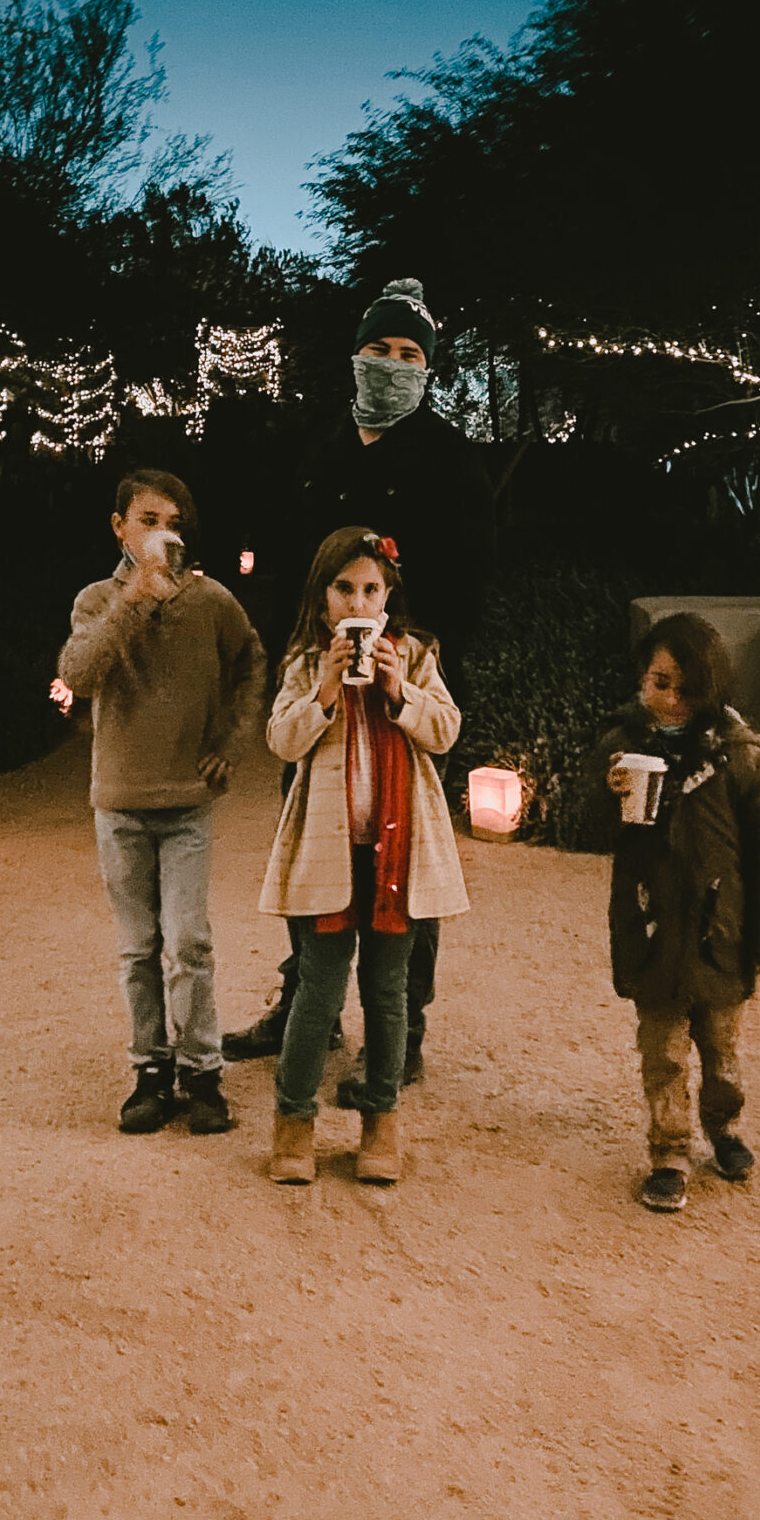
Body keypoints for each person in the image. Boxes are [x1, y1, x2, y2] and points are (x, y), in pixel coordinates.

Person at [224, 277, 493, 1082]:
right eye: (380, 349)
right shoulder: (318, 447)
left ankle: (401, 1026)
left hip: (402, 684)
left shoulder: (451, 462)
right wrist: (300, 667)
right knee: (313, 841)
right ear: (356, 355)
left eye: (410, 354)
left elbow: (473, 583)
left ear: (428, 369)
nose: (392, 364)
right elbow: (278, 558)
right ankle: (304, 998)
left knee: (403, 854)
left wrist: (409, 667)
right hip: (320, 682)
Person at [58, 468, 265, 1138]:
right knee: (138, 947)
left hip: (186, 803)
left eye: (172, 521)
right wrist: (133, 601)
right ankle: (150, 1069)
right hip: (119, 800)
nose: (161, 532)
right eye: (147, 519)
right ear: (119, 528)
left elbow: (251, 661)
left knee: (190, 942)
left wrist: (230, 741)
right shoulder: (95, 600)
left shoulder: (210, 601)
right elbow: (78, 673)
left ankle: (202, 1073)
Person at [260, 528, 468, 1186]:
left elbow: (446, 730)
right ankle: (293, 1121)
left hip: (395, 854)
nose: (358, 600)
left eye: (370, 589)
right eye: (344, 588)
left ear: (387, 598)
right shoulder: (304, 662)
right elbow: (281, 742)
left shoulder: (417, 655)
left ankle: (381, 1119)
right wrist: (323, 690)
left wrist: (400, 691)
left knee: (387, 993)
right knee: (316, 993)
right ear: (323, 600)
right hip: (327, 854)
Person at [589, 611, 760, 1213]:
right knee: (663, 1055)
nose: (672, 700)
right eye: (660, 682)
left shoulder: (738, 756)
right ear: (641, 679)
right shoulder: (621, 747)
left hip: (720, 933)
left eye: (686, 687)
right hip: (651, 931)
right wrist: (609, 795)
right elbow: (595, 829)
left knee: (723, 1049)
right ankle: (669, 1151)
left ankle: (724, 1127)